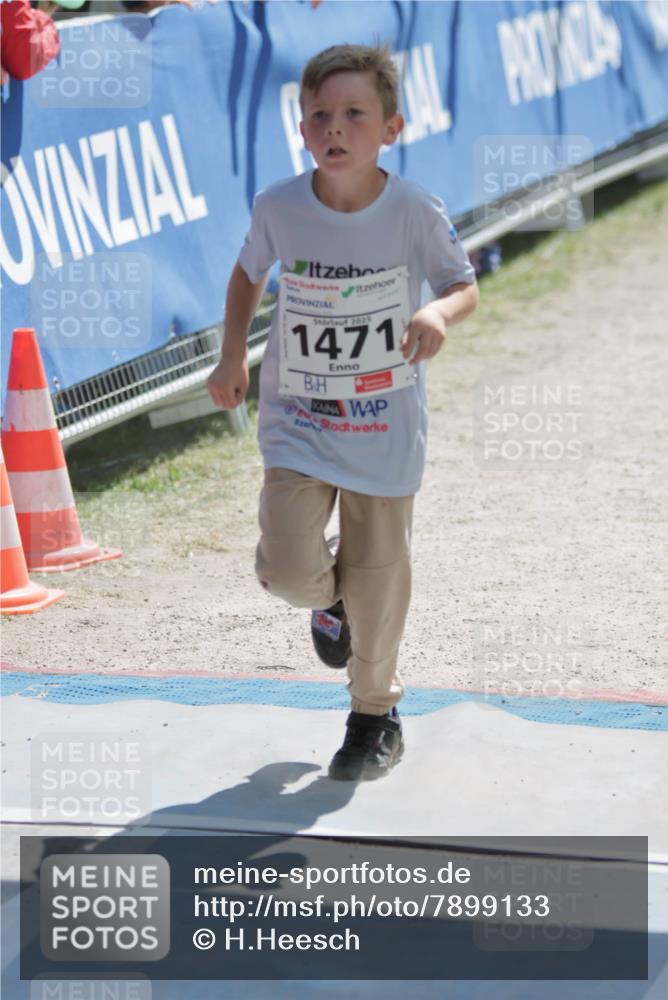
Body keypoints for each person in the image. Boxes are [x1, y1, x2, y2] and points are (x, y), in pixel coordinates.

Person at [207, 44, 479, 782]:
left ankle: (373, 717)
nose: (335, 128)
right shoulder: (280, 206)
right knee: (294, 567)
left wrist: (438, 312)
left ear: (390, 129)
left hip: (384, 429)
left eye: (354, 114)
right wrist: (232, 355)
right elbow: (246, 273)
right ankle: (330, 606)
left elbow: (464, 283)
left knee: (380, 575)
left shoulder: (415, 209)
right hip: (299, 418)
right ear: (301, 130)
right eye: (320, 115)